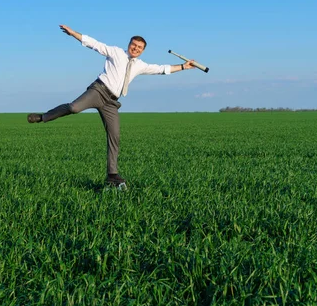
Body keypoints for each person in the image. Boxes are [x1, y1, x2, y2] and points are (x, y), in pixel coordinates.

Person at [28, 25, 196, 188]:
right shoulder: (116, 52)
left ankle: (112, 174)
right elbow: (94, 44)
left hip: (111, 103)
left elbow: (161, 69)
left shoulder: (140, 65)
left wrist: (183, 67)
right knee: (73, 108)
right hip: (98, 90)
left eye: (139, 47)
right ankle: (43, 117)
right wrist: (73, 33)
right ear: (129, 44)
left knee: (114, 135)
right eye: (134, 45)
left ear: (143, 50)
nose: (135, 48)